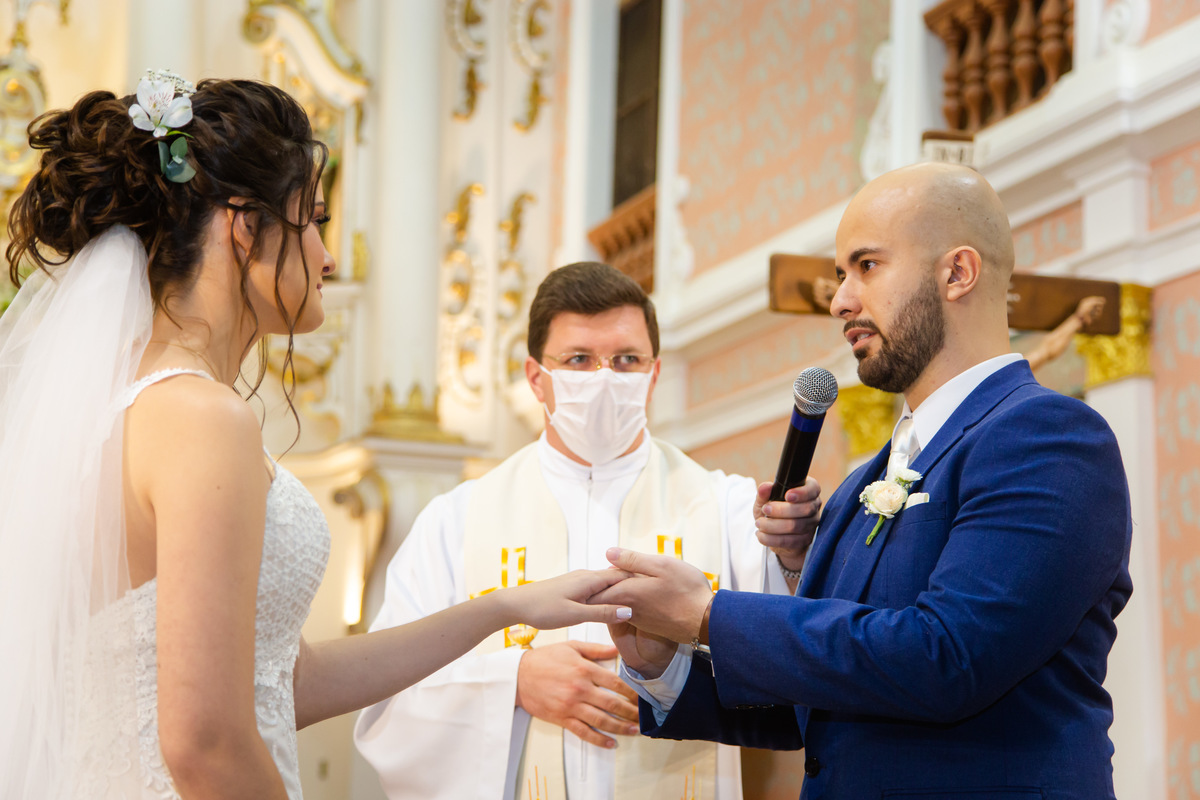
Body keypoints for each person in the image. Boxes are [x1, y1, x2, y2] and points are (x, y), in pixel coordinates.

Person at [0, 73, 633, 800]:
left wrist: (504, 608)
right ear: (244, 228)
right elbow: (205, 745)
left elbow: (287, 682)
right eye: (315, 220)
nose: (329, 258)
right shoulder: (200, 418)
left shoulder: (140, 409)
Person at [595, 163, 1133, 800]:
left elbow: (947, 661)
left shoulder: (1048, 438)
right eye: (840, 275)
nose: (840, 301)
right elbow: (819, 706)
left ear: (957, 273)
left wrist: (709, 615)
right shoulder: (859, 486)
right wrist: (665, 664)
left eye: (867, 266)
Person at [353, 262, 817, 800]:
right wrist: (512, 683)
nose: (604, 379)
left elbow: (791, 660)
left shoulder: (725, 506)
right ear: (536, 378)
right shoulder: (455, 520)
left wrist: (793, 556)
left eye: (626, 360)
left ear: (654, 375)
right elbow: (388, 697)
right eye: (579, 359)